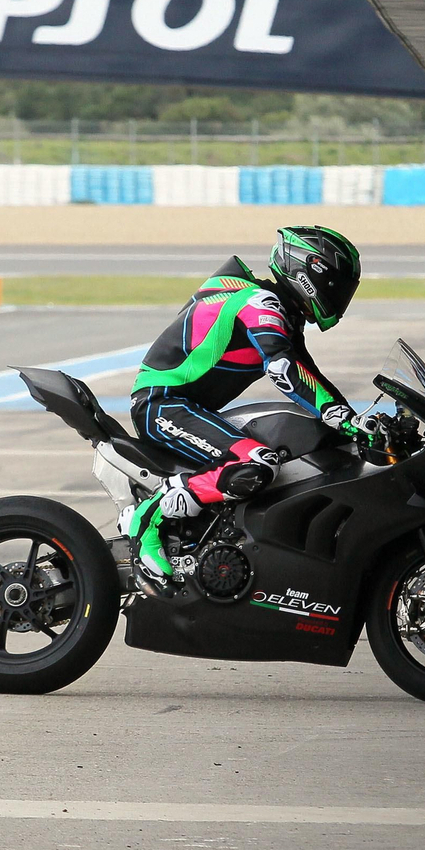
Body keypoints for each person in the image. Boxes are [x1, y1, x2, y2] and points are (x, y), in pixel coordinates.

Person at [123, 226, 372, 588]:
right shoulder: (259, 302)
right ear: (308, 272)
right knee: (256, 463)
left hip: (187, 407)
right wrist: (344, 419)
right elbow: (284, 369)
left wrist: (355, 423)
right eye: (336, 286)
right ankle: (149, 517)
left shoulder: (282, 313)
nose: (340, 298)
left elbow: (312, 380)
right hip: (161, 405)